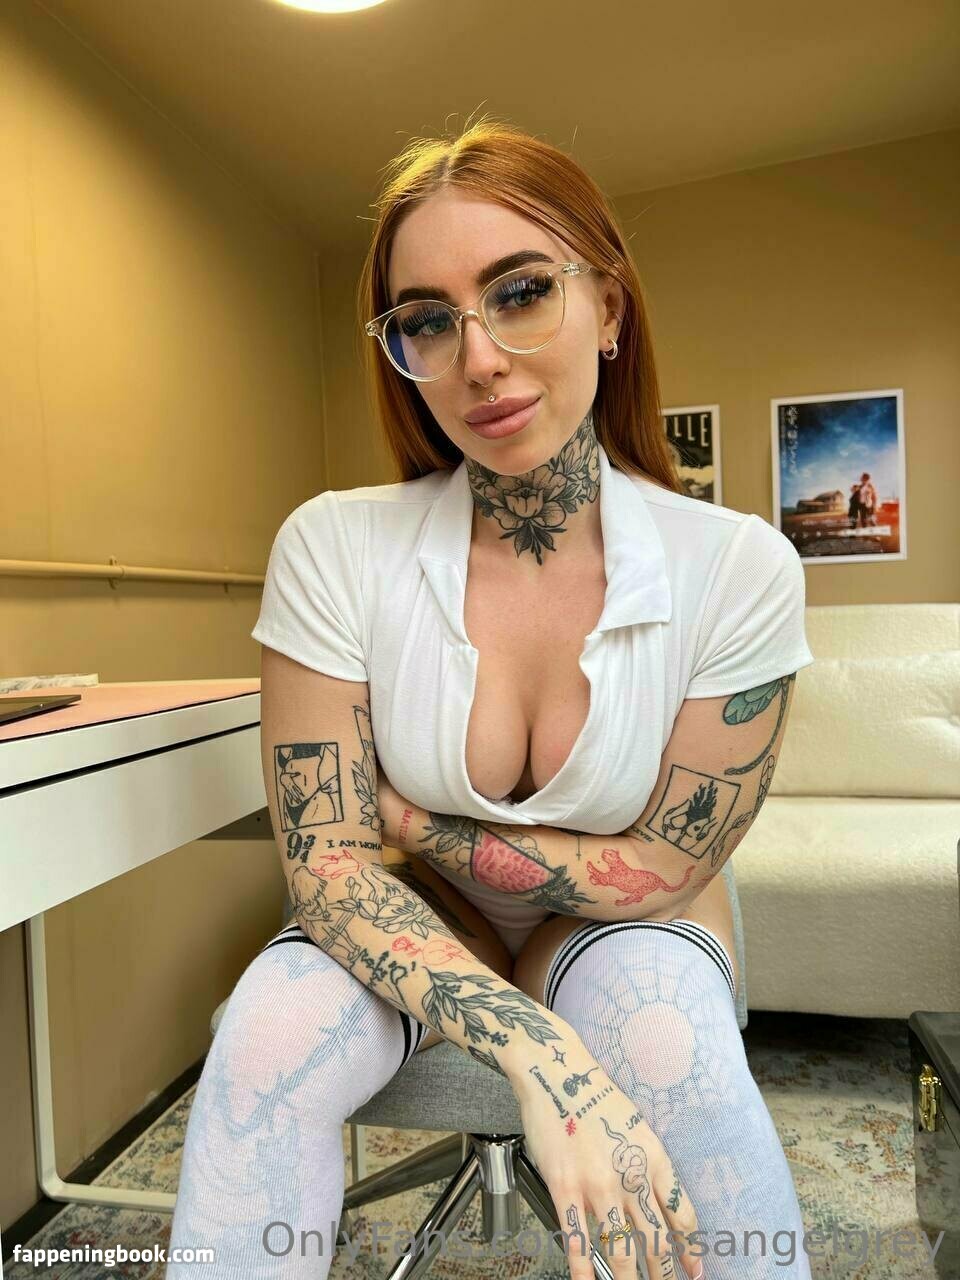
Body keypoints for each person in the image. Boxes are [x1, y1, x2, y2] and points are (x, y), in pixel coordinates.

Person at [167, 117, 815, 1280]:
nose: (478, 358)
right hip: (418, 910)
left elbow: (664, 866)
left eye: (520, 293)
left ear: (608, 307)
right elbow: (330, 869)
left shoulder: (738, 566)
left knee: (668, 1035)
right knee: (264, 1039)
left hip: (625, 920)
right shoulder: (333, 545)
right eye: (428, 319)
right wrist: (543, 1059)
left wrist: (403, 819)